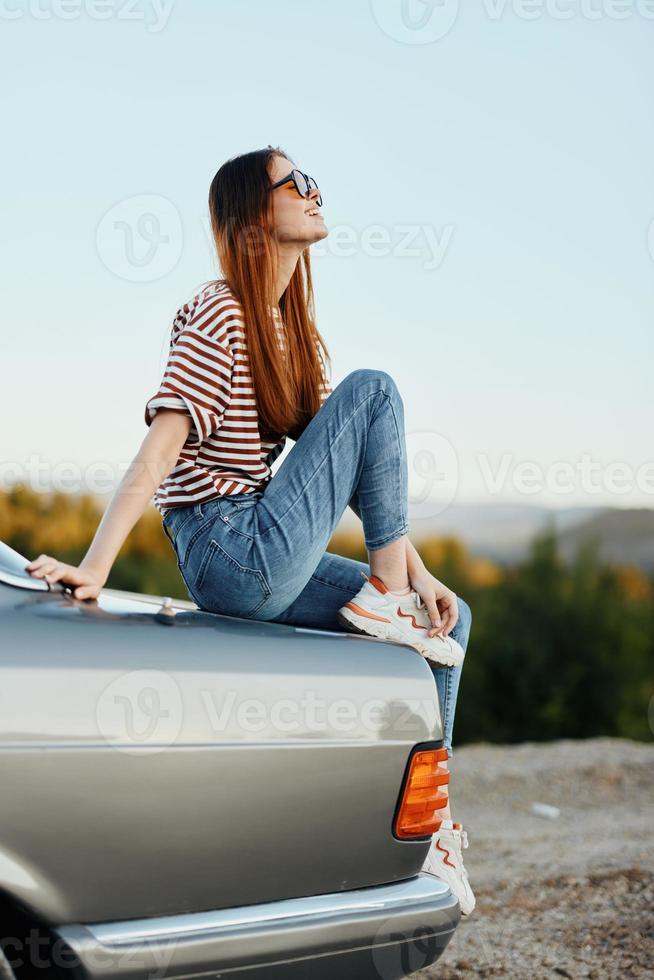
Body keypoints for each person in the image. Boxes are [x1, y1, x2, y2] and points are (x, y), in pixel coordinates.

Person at [24, 145, 475, 914]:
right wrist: (95, 565)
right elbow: (164, 440)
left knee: (454, 616)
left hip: (266, 545)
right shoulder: (219, 308)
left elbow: (360, 466)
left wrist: (421, 574)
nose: (312, 190)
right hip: (230, 545)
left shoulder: (285, 332)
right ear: (253, 213)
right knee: (376, 390)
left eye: (314, 180)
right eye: (294, 182)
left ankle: (424, 830)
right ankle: (385, 597)